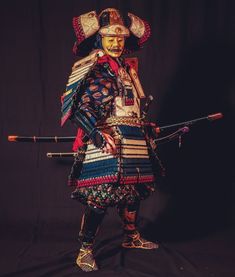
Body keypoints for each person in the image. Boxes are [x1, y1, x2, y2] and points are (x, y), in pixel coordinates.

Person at [61, 8, 159, 272]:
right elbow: (81, 109)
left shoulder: (128, 69)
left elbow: (131, 107)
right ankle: (85, 250)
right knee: (100, 198)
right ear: (100, 39)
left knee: (134, 192)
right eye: (110, 38)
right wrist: (95, 134)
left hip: (134, 139)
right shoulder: (95, 69)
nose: (116, 44)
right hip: (107, 140)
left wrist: (146, 127)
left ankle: (130, 237)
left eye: (120, 39)